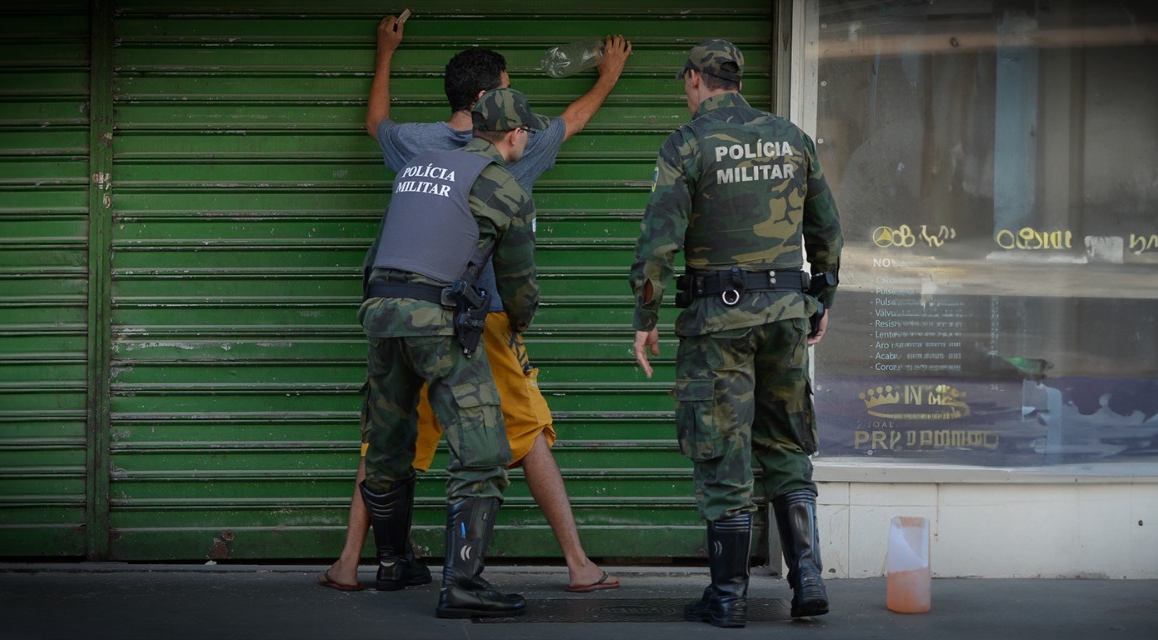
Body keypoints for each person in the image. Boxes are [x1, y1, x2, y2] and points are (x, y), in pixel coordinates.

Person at [318, 14, 632, 594]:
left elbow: (375, 122)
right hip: (474, 318)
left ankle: (350, 562)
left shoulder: (415, 147)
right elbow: (570, 124)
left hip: (396, 313)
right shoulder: (515, 156)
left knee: (386, 436)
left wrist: (386, 50)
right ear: (493, 105)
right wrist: (608, 79)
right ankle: (571, 565)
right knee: (519, 433)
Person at [627, 40, 843, 628]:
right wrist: (820, 300)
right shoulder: (793, 137)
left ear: (696, 79)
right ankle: (809, 581)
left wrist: (645, 319)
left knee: (724, 452)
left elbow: (658, 242)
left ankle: (728, 597)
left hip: (718, 323)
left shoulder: (688, 143)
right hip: (785, 317)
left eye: (686, 81)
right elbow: (827, 229)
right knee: (785, 445)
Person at [358, 87, 547, 619]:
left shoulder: (418, 166)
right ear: (516, 134)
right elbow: (518, 283)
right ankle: (463, 584)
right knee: (483, 449)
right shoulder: (504, 188)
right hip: (436, 319)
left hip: (381, 311)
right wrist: (519, 322)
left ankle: (394, 564)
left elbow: (380, 248)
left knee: (389, 443)